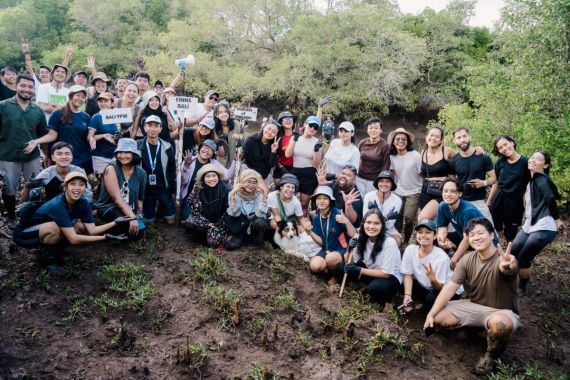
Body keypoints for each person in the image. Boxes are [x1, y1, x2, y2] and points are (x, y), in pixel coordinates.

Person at [424, 218, 520, 376]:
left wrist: (508, 265)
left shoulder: (504, 259)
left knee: (499, 325)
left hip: (501, 311)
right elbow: (450, 288)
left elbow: (510, 269)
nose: (476, 237)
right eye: (472, 235)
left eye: (481, 233)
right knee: (439, 317)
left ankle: (490, 356)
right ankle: (472, 328)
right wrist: (431, 314)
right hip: (474, 305)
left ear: (491, 235)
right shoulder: (467, 259)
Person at [13, 172, 129, 271]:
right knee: (54, 228)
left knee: (79, 227)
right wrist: (105, 237)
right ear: (65, 187)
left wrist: (115, 222)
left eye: (81, 185)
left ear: (85, 188)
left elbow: (92, 230)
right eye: (72, 184)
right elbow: (73, 239)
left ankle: (56, 249)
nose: (77, 188)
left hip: (43, 228)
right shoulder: (57, 205)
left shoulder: (83, 202)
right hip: (24, 234)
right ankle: (47, 260)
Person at [511, 151, 564, 295]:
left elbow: (550, 198)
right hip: (530, 224)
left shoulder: (541, 178)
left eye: (538, 159)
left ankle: (521, 287)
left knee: (524, 257)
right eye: (532, 157)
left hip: (544, 225)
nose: (533, 160)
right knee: (513, 250)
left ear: (545, 165)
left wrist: (557, 219)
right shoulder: (531, 180)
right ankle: (511, 280)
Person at [0, 74, 48, 223]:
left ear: (34, 89)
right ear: (16, 86)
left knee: (35, 187)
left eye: (30, 87)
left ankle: (32, 215)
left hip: (32, 157)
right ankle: (12, 218)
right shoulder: (3, 106)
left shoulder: (37, 110)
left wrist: (46, 154)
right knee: (9, 188)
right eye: (23, 86)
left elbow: (43, 134)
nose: (27, 89)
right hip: (7, 156)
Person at [343, 209, 402, 307]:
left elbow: (386, 274)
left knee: (375, 288)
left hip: (391, 277)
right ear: (363, 224)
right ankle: (366, 286)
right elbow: (349, 261)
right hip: (372, 270)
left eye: (376, 223)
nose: (371, 227)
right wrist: (349, 249)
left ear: (382, 226)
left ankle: (388, 301)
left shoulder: (389, 242)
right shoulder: (361, 237)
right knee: (343, 268)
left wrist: (359, 270)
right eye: (368, 222)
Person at [435, 178, 498, 269]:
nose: (448, 194)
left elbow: (467, 239)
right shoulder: (443, 205)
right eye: (445, 191)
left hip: (483, 242)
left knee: (459, 263)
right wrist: (442, 240)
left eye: (452, 191)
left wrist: (454, 260)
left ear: (459, 194)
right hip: (464, 236)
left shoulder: (468, 211)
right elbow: (442, 227)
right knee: (434, 239)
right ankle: (441, 264)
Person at [400, 220, 461, 313]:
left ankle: (425, 309)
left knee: (430, 299)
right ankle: (417, 303)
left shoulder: (441, 258)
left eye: (428, 232)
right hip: (428, 286)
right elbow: (408, 274)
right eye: (420, 232)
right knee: (402, 284)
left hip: (448, 290)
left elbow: (440, 288)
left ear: (435, 235)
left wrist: (432, 278)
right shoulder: (410, 250)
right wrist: (408, 295)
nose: (423, 235)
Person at [94, 138, 146, 238]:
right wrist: (132, 218)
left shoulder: (141, 173)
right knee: (130, 228)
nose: (122, 156)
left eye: (127, 152)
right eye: (120, 152)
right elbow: (117, 198)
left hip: (129, 209)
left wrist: (139, 214)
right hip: (110, 207)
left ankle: (118, 231)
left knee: (140, 231)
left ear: (134, 154)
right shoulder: (111, 168)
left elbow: (140, 197)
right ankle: (108, 230)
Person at [307, 186, 356, 281]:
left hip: (342, 248)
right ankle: (329, 269)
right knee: (315, 266)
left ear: (331, 201)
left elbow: (353, 234)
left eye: (325, 198)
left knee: (330, 258)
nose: (321, 201)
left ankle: (336, 276)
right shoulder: (317, 218)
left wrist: (347, 222)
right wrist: (309, 232)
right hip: (327, 249)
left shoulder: (338, 214)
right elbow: (321, 242)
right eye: (318, 198)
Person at [179, 139, 237, 220]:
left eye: (211, 150)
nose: (207, 151)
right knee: (189, 218)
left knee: (206, 219)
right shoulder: (190, 160)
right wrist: (185, 166)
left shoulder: (214, 163)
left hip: (208, 199)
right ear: (200, 148)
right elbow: (182, 182)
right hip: (190, 196)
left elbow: (227, 176)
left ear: (213, 153)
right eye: (205, 147)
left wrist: (235, 161)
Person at [487, 135, 530, 242]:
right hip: (499, 198)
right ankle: (497, 248)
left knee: (511, 231)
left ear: (512, 142)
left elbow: (530, 184)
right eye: (500, 148)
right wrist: (489, 201)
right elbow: (496, 182)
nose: (504, 149)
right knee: (494, 226)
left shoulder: (526, 162)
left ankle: (511, 252)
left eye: (505, 144)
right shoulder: (500, 162)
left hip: (515, 200)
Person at [449, 127, 496, 222]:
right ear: (455, 141)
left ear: (469, 137)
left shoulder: (483, 157)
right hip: (461, 202)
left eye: (464, 136)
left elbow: (494, 178)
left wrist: (484, 183)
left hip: (479, 202)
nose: (462, 140)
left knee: (489, 231)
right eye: (458, 138)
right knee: (463, 232)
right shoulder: (453, 161)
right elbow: (452, 182)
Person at [43, 85, 93, 174]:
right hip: (65, 159)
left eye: (83, 97)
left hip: (85, 159)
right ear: (71, 96)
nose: (80, 98)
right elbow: (51, 136)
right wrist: (48, 155)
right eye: (77, 95)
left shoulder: (86, 117)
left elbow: (90, 136)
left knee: (87, 186)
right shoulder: (58, 114)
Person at [21, 142, 92, 203]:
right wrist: (27, 187)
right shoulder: (45, 174)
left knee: (94, 210)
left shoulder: (78, 171)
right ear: (53, 157)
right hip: (52, 206)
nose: (64, 157)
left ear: (72, 156)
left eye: (67, 153)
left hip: (75, 204)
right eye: (59, 154)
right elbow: (27, 199)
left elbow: (87, 195)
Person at [137, 115, 176, 224]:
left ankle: (162, 208)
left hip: (163, 187)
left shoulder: (167, 146)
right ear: (144, 128)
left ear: (160, 128)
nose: (152, 129)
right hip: (146, 189)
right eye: (149, 125)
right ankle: (151, 210)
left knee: (171, 221)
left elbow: (172, 169)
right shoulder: (137, 146)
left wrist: (172, 189)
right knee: (149, 221)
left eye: (156, 126)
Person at [183, 163, 230, 250]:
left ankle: (210, 236)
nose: (211, 179)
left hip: (219, 223)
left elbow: (228, 211)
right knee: (189, 223)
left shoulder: (225, 190)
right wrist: (193, 192)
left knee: (212, 243)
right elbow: (194, 210)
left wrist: (216, 225)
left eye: (214, 176)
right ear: (203, 178)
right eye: (208, 176)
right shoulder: (199, 188)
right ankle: (201, 236)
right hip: (203, 220)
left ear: (218, 177)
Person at [388, 127, 422, 246]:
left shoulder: (415, 156)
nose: (400, 141)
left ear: (408, 142)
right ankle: (397, 241)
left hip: (414, 190)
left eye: (403, 139)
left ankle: (407, 241)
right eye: (397, 139)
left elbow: (421, 173)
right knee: (397, 217)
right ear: (393, 141)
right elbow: (393, 172)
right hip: (398, 190)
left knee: (408, 218)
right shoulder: (392, 157)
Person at [285, 115, 323, 214]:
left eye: (316, 127)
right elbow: (288, 154)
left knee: (304, 203)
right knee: (287, 199)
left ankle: (302, 224)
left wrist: (317, 150)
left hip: (309, 173)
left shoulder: (317, 142)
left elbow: (315, 165)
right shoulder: (296, 137)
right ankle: (286, 222)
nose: (313, 128)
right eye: (311, 125)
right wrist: (294, 139)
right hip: (295, 171)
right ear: (305, 124)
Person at [225, 169, 269, 250]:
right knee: (230, 245)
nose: (251, 185)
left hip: (252, 225)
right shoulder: (234, 194)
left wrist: (264, 199)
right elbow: (234, 213)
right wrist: (232, 196)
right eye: (248, 182)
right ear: (241, 182)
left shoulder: (258, 194)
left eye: (254, 182)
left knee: (260, 222)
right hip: (240, 225)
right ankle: (244, 239)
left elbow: (260, 214)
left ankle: (256, 242)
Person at [362, 170, 403, 246]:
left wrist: (376, 214)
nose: (384, 184)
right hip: (370, 225)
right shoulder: (369, 196)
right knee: (357, 239)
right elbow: (365, 218)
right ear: (377, 183)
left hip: (388, 229)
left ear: (392, 184)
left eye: (387, 181)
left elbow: (389, 224)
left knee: (397, 241)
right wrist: (386, 217)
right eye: (381, 181)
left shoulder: (397, 200)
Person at [87, 92, 122, 174]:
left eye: (106, 101)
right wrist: (103, 136)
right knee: (101, 182)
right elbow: (90, 136)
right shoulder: (96, 117)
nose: (103, 104)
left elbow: (120, 133)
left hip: (115, 157)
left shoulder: (117, 116)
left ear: (112, 103)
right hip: (100, 157)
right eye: (100, 101)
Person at [356, 117, 390, 196]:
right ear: (367, 130)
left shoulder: (385, 146)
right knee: (358, 202)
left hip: (374, 181)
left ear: (381, 130)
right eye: (370, 128)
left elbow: (386, 166)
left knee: (370, 204)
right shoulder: (363, 142)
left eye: (376, 128)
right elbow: (357, 159)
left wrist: (381, 182)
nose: (373, 130)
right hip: (359, 178)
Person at [273, 111, 297, 181]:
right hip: (280, 168)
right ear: (281, 122)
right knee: (279, 191)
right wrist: (281, 167)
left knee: (291, 190)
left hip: (295, 169)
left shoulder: (297, 136)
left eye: (290, 119)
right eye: (285, 119)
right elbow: (273, 154)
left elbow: (312, 126)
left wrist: (320, 108)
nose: (288, 121)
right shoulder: (277, 137)